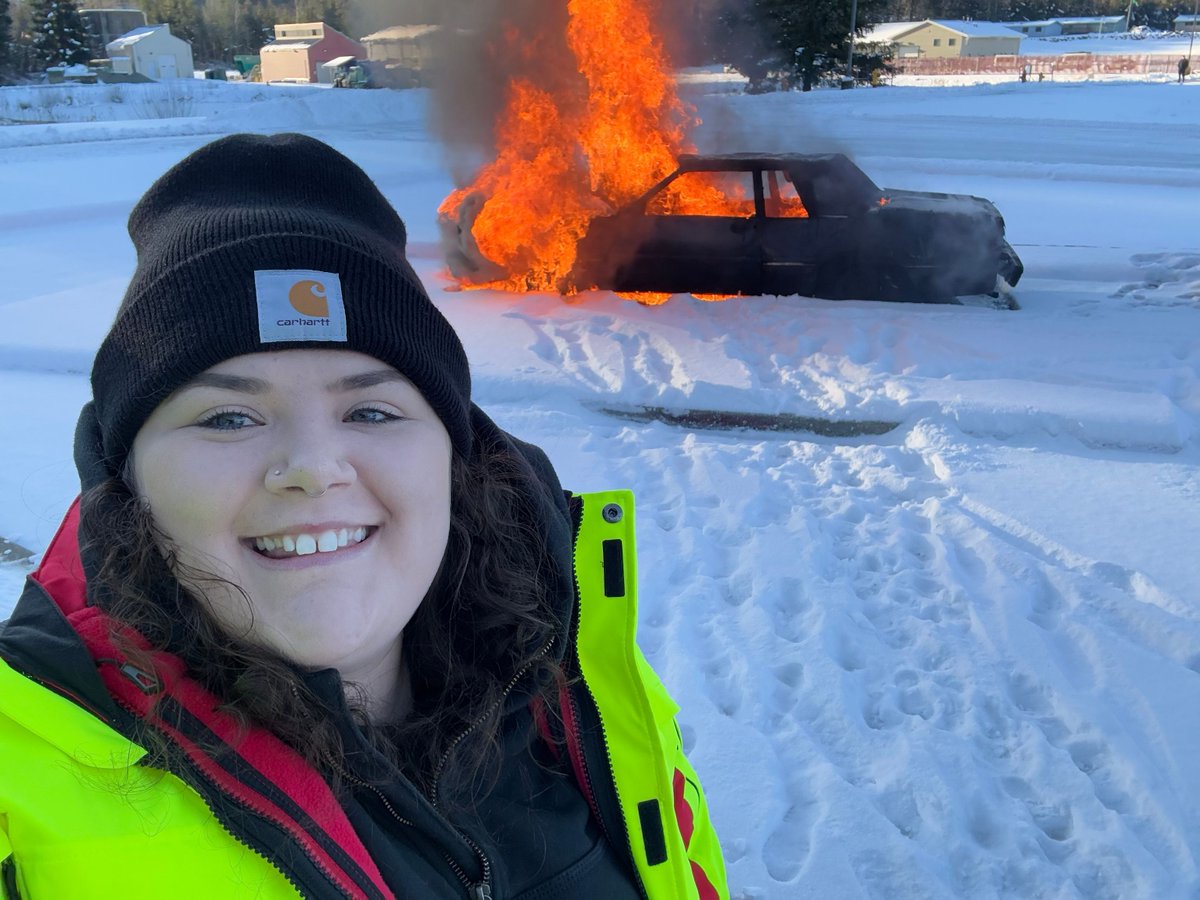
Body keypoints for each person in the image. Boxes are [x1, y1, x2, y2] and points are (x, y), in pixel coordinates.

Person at [0, 133, 728, 899]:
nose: (314, 467)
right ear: (127, 480)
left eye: (373, 410)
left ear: (454, 461)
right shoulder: (23, 772)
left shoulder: (578, 679)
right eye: (226, 418)